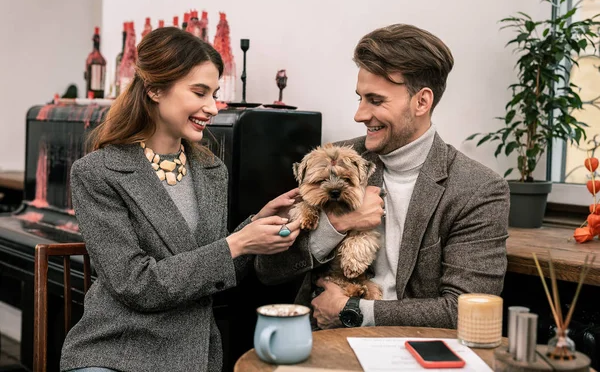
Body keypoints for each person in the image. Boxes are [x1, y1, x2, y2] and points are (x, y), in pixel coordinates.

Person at [60, 27, 301, 372]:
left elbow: (213, 271)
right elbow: (137, 284)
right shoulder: (97, 172)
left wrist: (255, 228)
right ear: (155, 89)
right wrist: (236, 243)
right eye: (199, 92)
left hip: (193, 352)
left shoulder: (211, 169)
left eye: (215, 94)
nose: (213, 107)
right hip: (116, 352)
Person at [256, 24, 510, 330]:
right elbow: (267, 269)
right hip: (322, 341)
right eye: (360, 98)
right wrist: (335, 226)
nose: (359, 114)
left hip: (414, 351)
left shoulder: (477, 189)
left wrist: (353, 311)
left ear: (422, 102)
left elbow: (466, 311)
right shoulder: (337, 162)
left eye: (375, 101)